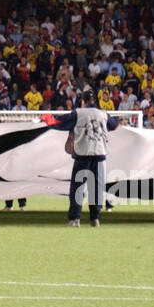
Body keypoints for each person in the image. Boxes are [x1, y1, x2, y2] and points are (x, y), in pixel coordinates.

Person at [51, 94, 120, 227]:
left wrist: (44, 119)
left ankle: (74, 219)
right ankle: (95, 218)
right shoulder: (103, 114)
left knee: (77, 189)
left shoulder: (78, 113)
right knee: (97, 189)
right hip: (100, 156)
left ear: (83, 101)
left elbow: (59, 122)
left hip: (83, 156)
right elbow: (115, 125)